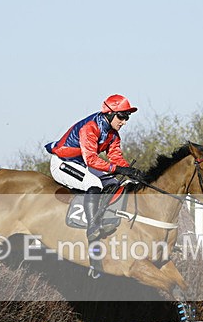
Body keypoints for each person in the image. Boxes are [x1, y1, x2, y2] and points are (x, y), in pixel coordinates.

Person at [46, 94, 145, 242]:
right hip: (63, 163)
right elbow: (91, 159)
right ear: (110, 113)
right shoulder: (90, 128)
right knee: (94, 184)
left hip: (82, 164)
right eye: (122, 116)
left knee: (113, 184)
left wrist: (133, 172)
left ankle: (106, 217)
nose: (124, 122)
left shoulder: (113, 135)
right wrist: (119, 170)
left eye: (127, 117)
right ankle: (92, 227)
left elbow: (116, 158)